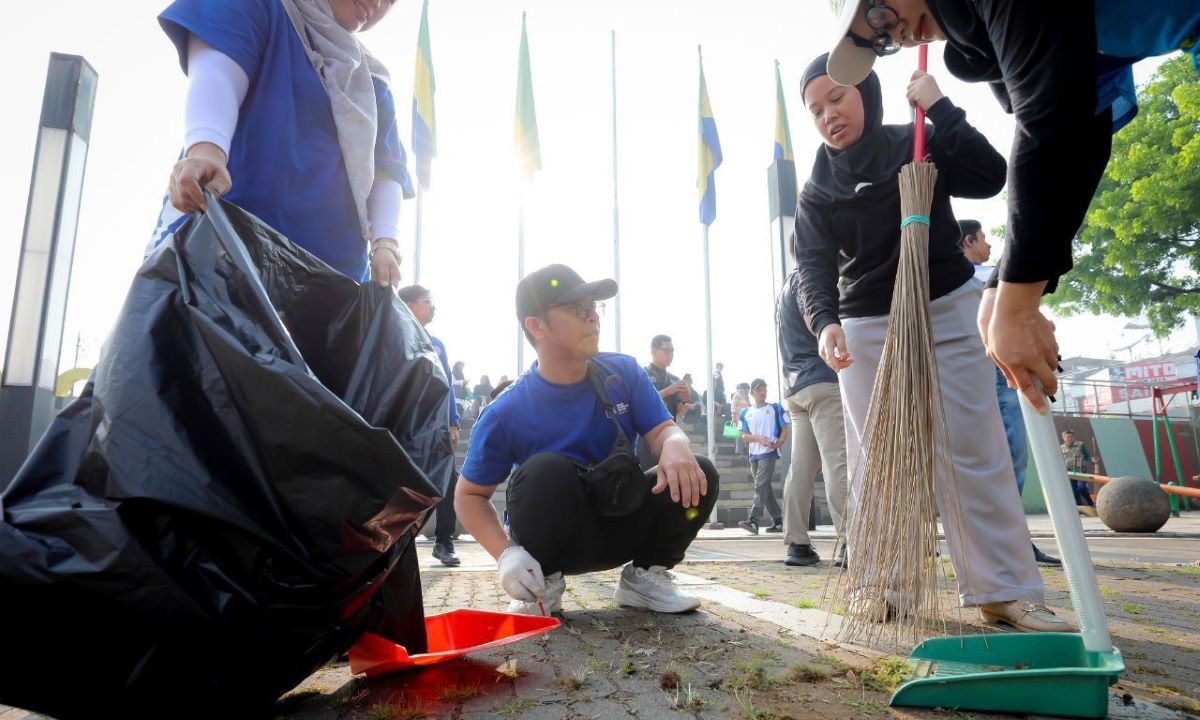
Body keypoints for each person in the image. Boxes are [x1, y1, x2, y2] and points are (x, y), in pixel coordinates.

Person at [795, 52, 1071, 632]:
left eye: (837, 99)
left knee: (974, 445)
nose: (829, 115)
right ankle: (884, 586)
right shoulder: (817, 189)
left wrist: (941, 106)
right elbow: (814, 265)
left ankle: (1003, 590)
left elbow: (990, 175)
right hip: (866, 327)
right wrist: (825, 323)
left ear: (865, 93)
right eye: (816, 109)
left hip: (945, 307)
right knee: (879, 457)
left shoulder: (915, 140)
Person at [821, 0, 1200, 412]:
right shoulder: (983, 39)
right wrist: (1002, 286)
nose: (898, 36)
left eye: (880, 17)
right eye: (883, 40)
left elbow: (1046, 122)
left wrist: (1017, 303)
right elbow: (1077, 135)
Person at [455, 264, 720, 615]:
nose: (592, 317)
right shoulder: (506, 411)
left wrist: (674, 442)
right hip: (557, 538)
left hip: (623, 517)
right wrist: (506, 554)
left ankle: (645, 577)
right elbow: (469, 496)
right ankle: (542, 588)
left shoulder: (623, 372)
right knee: (545, 470)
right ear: (535, 325)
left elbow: (662, 430)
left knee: (698, 470)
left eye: (593, 306)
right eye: (577, 308)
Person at [155, 0, 413, 287]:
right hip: (221, 252)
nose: (377, 3)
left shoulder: (373, 82)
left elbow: (388, 171)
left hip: (329, 287)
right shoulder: (262, 6)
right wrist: (206, 151)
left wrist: (386, 242)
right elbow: (219, 73)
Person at [959, 220, 1062, 566]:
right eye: (984, 237)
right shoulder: (978, 277)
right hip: (996, 374)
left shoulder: (963, 280)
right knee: (1012, 454)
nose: (988, 245)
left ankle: (1007, 542)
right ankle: (1009, 543)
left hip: (979, 376)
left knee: (1003, 458)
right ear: (969, 240)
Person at [777, 268, 849, 567]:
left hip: (796, 388)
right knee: (838, 462)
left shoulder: (783, 290)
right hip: (822, 380)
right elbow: (815, 318)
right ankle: (851, 541)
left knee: (801, 468)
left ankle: (797, 542)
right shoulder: (808, 279)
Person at [398, 285, 462, 567]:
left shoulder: (438, 344)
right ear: (409, 305)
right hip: (404, 427)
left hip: (436, 428)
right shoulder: (392, 335)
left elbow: (447, 384)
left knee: (449, 482)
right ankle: (397, 545)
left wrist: (453, 421)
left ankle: (444, 541)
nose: (432, 307)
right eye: (427, 302)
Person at [737, 379, 789, 537]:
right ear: (751, 393)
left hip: (769, 452)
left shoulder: (775, 408)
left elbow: (785, 428)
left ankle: (753, 520)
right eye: (759, 389)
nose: (762, 391)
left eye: (764, 388)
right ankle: (779, 520)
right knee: (765, 489)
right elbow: (744, 435)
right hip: (754, 454)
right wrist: (758, 438)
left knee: (760, 485)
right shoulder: (745, 412)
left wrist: (779, 443)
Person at [638, 335, 690, 467]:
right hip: (647, 437)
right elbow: (640, 403)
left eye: (672, 351)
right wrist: (668, 391)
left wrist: (685, 398)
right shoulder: (641, 374)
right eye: (666, 350)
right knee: (648, 477)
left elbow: (680, 412)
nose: (670, 354)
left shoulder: (673, 378)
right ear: (653, 351)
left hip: (669, 435)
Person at [1061, 430, 1100, 513]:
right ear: (1064, 438)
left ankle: (1090, 503)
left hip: (1080, 471)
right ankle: (1079, 509)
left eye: (1071, 436)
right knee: (1074, 491)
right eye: (1067, 437)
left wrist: (1093, 460)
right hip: (1069, 473)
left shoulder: (1080, 445)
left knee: (1081, 488)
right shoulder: (1061, 448)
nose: (1070, 438)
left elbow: (1087, 456)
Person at [957, 219, 993, 285]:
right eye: (983, 238)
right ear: (969, 240)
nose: (989, 245)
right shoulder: (993, 276)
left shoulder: (942, 279)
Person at [729, 382, 752, 455]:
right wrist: (734, 418)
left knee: (744, 435)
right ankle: (739, 452)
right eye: (748, 389)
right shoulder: (737, 395)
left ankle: (744, 452)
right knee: (739, 436)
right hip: (738, 418)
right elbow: (733, 407)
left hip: (746, 419)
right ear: (744, 389)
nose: (749, 391)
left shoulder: (745, 397)